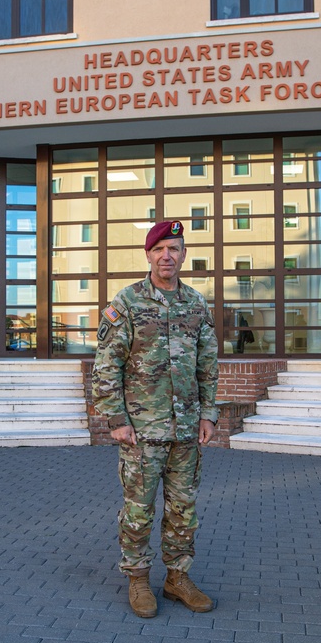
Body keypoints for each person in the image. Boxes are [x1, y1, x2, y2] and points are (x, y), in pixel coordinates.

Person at [92, 219, 220, 618]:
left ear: (183, 255)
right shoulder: (127, 302)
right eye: (160, 248)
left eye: (175, 248)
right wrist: (116, 419)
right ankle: (137, 578)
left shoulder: (195, 304)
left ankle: (177, 577)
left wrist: (209, 414)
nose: (168, 255)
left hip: (186, 433)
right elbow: (105, 367)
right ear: (148, 254)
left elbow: (208, 366)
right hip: (141, 433)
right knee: (139, 510)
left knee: (184, 510)